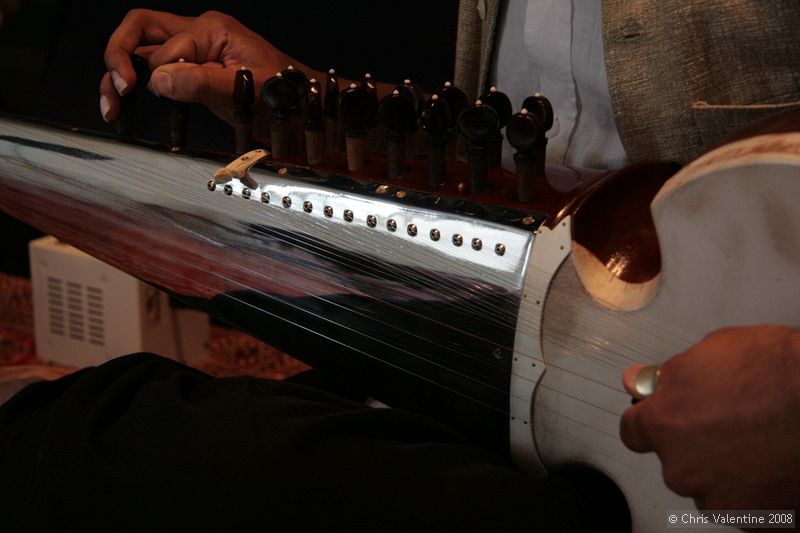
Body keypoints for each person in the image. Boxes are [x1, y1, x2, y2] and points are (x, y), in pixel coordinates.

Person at [1, 2, 798, 529]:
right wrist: (308, 107)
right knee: (111, 433)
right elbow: (537, 171)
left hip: (710, 471)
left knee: (151, 453)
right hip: (499, 353)